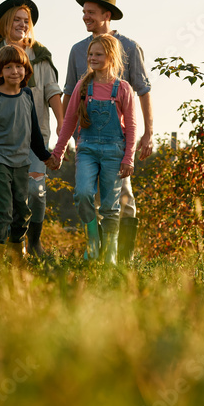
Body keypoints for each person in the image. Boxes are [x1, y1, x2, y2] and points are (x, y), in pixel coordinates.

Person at [62, 0, 152, 263]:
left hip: (118, 140)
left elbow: (143, 90)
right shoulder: (78, 50)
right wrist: (64, 133)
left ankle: (121, 256)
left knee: (122, 197)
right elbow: (69, 92)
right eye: (84, 12)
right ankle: (96, 249)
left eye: (91, 13)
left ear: (107, 15)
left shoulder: (129, 47)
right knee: (85, 193)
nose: (85, 17)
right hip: (87, 137)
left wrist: (148, 133)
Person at [0, 0, 63, 257]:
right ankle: (13, 252)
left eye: (26, 21)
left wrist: (62, 125)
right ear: (5, 23)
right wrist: (7, 75)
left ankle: (33, 242)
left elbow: (52, 91)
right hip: (2, 142)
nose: (23, 25)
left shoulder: (40, 54)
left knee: (35, 193)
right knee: (8, 201)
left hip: (35, 139)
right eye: (17, 19)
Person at [51, 34, 136, 265]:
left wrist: (129, 158)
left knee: (110, 205)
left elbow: (131, 126)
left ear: (111, 57)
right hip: (87, 148)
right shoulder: (83, 86)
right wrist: (58, 152)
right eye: (90, 54)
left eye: (98, 54)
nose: (92, 58)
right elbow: (69, 121)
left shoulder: (123, 89)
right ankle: (92, 239)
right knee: (83, 194)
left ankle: (109, 252)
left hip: (114, 151)